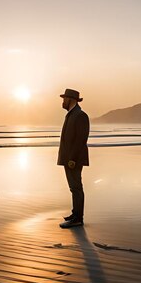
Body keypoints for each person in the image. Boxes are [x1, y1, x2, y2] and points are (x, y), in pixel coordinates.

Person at [57, 88, 90, 228]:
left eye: (64, 99)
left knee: (76, 187)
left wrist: (72, 159)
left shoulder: (80, 115)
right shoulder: (71, 114)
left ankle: (78, 218)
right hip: (68, 158)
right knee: (73, 187)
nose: (63, 101)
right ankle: (75, 214)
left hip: (73, 159)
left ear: (71, 100)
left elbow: (81, 140)